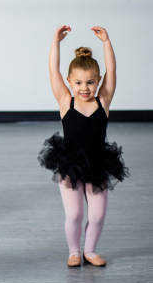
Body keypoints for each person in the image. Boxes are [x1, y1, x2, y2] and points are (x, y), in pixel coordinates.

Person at [38, 26, 128, 267]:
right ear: (69, 82)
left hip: (98, 162)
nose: (84, 88)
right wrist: (55, 42)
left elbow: (113, 71)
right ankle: (74, 251)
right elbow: (52, 70)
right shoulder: (65, 101)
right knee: (75, 214)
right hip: (70, 164)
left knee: (97, 215)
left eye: (90, 82)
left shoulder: (104, 101)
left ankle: (90, 250)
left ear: (98, 82)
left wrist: (107, 42)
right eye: (78, 82)